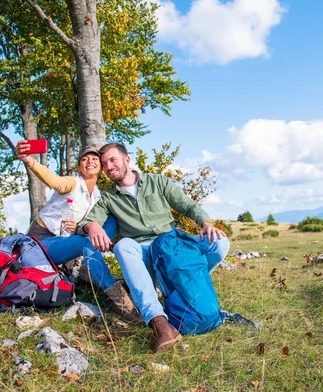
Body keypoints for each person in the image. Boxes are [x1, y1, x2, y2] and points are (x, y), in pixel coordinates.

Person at [78, 142, 229, 353]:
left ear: (127, 160)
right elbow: (85, 223)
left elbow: (186, 204)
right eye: (104, 164)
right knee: (123, 246)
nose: (108, 166)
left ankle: (186, 289)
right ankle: (159, 322)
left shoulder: (157, 181)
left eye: (112, 160)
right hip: (143, 254)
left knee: (220, 242)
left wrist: (205, 223)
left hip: (172, 248)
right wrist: (91, 225)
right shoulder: (108, 197)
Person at [14, 140, 141, 323]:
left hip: (64, 246)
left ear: (101, 167)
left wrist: (80, 227)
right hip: (39, 246)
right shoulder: (72, 184)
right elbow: (55, 181)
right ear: (80, 166)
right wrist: (30, 161)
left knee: (111, 218)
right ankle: (122, 304)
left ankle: (107, 262)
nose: (90, 161)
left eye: (94, 158)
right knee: (85, 243)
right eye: (85, 159)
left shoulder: (98, 196)